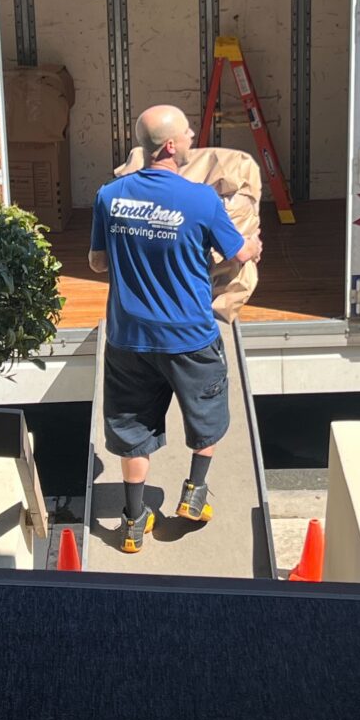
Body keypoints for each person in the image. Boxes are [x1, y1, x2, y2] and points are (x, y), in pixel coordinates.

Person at [88, 105, 263, 553]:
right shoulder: (201, 199)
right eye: (188, 133)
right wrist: (253, 244)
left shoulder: (109, 195)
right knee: (208, 419)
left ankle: (132, 524)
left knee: (131, 431)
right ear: (171, 146)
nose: (191, 138)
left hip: (128, 338)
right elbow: (237, 254)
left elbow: (97, 262)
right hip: (190, 338)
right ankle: (194, 497)